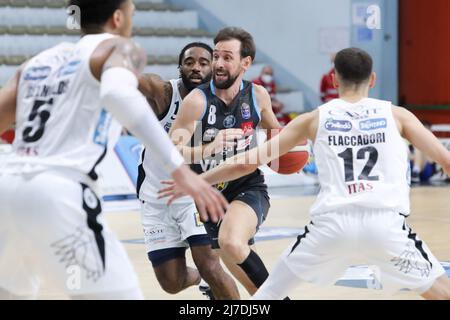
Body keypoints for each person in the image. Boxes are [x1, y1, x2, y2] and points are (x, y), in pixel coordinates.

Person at [163, 47, 450, 300]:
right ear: (372, 80)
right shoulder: (398, 116)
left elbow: (246, 162)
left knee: (268, 295)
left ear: (334, 79)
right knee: (441, 292)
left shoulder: (314, 119)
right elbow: (445, 160)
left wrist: (196, 182)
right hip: (386, 226)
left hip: (330, 228)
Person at [0, 0, 227, 299]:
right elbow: (117, 93)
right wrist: (179, 170)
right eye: (132, 12)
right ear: (119, 17)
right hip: (60, 191)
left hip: (8, 188)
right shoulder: (118, 48)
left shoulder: (39, 61)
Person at [167, 27, 282, 296]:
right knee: (238, 279)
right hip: (205, 196)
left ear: (246, 62)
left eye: (226, 57)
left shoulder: (258, 96)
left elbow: (277, 137)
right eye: (216, 56)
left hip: (246, 186)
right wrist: (209, 148)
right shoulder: (197, 101)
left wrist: (284, 153)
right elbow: (171, 150)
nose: (218, 63)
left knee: (231, 241)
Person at [136, 42, 239, 299]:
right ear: (180, 66)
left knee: (211, 265)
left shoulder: (221, 99)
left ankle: (214, 282)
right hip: (157, 195)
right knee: (172, 282)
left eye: (203, 62)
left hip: (194, 195)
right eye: (189, 62)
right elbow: (142, 81)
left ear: (213, 67)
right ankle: (203, 281)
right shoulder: (164, 93)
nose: (196, 67)